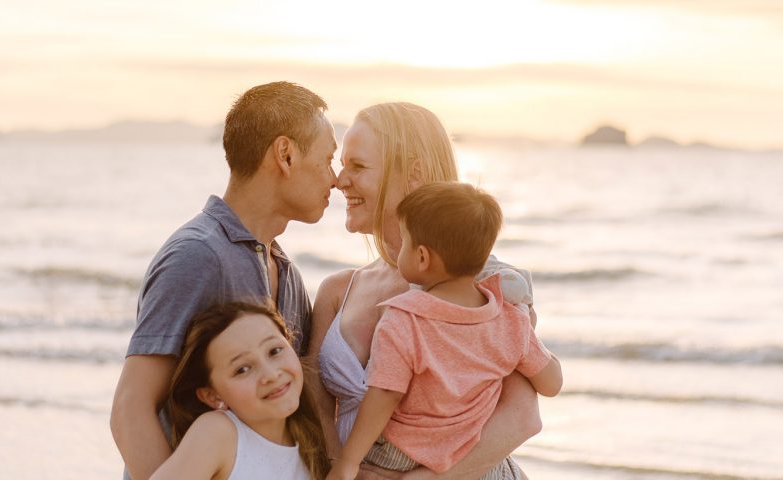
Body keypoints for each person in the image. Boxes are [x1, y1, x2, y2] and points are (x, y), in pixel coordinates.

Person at [110, 81, 338, 480]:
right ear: (285, 155)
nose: (334, 178)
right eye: (327, 159)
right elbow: (131, 407)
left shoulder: (288, 274)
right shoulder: (198, 255)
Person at [306, 102, 543, 479]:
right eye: (342, 164)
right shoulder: (338, 290)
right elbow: (314, 396)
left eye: (358, 166)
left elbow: (523, 416)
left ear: (413, 173)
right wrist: (340, 466)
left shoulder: (482, 285)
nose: (339, 180)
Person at [325, 183, 562, 480]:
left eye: (405, 241)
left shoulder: (403, 317)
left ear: (422, 258)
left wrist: (347, 461)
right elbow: (551, 384)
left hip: (400, 453)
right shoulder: (511, 320)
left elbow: (384, 394)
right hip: (466, 453)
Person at [152, 302, 330, 480]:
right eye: (242, 369)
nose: (271, 375)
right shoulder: (218, 433)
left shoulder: (315, 442)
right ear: (212, 395)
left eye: (274, 351)